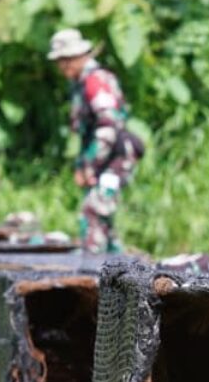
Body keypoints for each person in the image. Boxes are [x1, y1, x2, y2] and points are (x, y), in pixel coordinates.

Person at [47, 28, 142, 254]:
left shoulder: (95, 82)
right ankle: (117, 269)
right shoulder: (80, 84)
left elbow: (109, 125)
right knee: (103, 217)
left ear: (81, 57)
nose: (63, 67)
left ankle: (92, 270)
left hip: (115, 158)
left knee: (94, 211)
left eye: (67, 60)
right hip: (103, 160)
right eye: (60, 61)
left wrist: (90, 164)